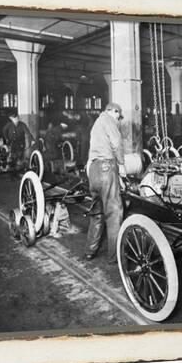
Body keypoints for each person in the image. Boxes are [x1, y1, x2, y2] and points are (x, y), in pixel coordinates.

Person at [84, 103, 126, 264]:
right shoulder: (109, 121)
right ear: (113, 111)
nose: (118, 120)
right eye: (118, 116)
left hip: (93, 170)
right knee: (114, 212)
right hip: (106, 167)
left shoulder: (96, 124)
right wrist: (122, 167)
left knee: (97, 212)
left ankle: (90, 250)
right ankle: (114, 256)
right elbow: (117, 143)